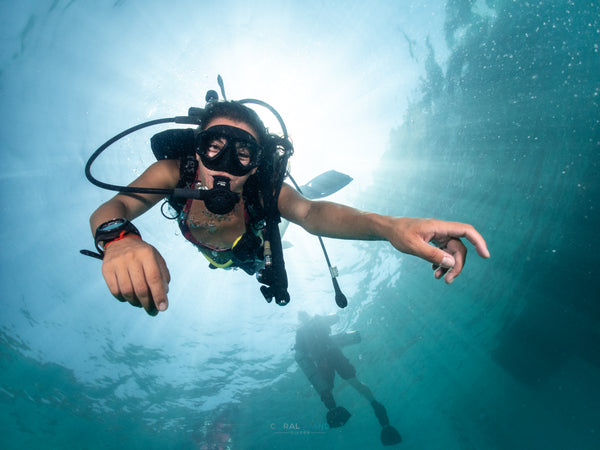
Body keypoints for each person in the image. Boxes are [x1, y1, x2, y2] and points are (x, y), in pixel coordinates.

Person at [88, 100, 490, 315]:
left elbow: (313, 215)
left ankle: (273, 226)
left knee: (278, 228)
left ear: (257, 164)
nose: (225, 166)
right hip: (217, 253)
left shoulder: (265, 192)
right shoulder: (172, 172)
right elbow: (118, 203)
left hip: (257, 234)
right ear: (197, 149)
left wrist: (389, 227)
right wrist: (119, 239)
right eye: (214, 148)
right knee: (230, 262)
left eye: (242, 154)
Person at [294, 312, 402, 445]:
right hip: (334, 355)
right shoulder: (314, 321)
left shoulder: (301, 331)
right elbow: (335, 318)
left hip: (324, 361)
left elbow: (301, 353)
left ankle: (338, 410)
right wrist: (321, 320)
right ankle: (376, 407)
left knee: (328, 391)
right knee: (354, 384)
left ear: (300, 320)